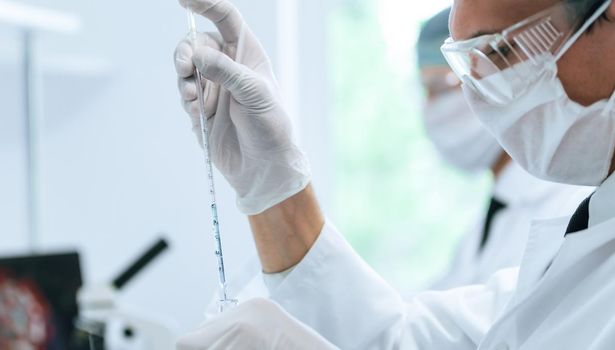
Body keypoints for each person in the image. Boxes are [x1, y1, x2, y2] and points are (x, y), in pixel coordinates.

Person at [173, 0, 615, 348]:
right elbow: (398, 340)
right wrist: (270, 182)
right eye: (468, 65)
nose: (481, 100)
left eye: (501, 50)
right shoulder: (587, 240)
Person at [417, 8, 592, 290]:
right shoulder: (487, 220)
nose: (430, 108)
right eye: (424, 90)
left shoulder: (569, 202)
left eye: (442, 86)